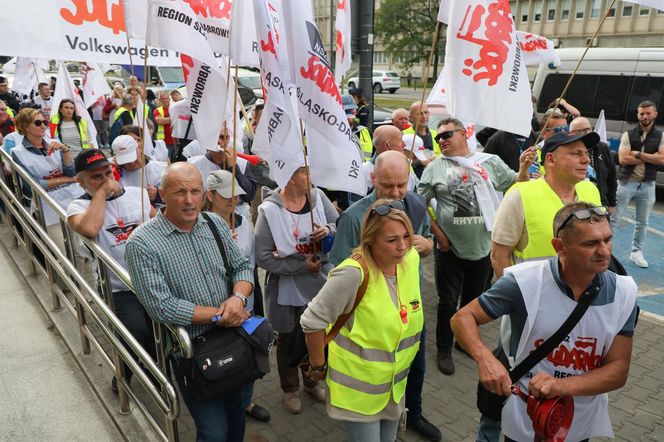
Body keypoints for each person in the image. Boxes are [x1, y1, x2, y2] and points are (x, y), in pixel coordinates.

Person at [451, 202, 637, 442]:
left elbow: (618, 371)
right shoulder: (525, 282)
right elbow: (462, 317)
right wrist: (485, 359)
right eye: (590, 243)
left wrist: (562, 386)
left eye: (607, 239)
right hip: (525, 420)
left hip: (577, 422)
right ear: (559, 247)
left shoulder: (623, 293)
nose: (604, 251)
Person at [125, 162, 255, 442]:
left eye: (195, 191)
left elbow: (242, 265)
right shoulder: (142, 243)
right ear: (162, 193)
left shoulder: (215, 222)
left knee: (236, 413)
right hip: (194, 353)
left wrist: (238, 297)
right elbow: (161, 306)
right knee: (213, 430)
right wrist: (221, 313)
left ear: (205, 194)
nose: (189, 200)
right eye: (180, 192)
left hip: (234, 338)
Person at [328, 151, 441, 441]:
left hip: (410, 309)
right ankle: (367, 418)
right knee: (373, 374)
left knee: (415, 368)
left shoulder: (414, 205)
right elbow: (338, 268)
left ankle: (412, 414)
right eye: (388, 185)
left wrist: (426, 244)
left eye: (401, 185)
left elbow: (426, 239)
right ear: (373, 178)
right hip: (371, 318)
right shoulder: (355, 217)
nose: (395, 193)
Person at [300, 198, 424, 442]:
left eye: (407, 236)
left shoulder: (409, 259)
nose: (402, 246)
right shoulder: (353, 273)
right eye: (392, 240)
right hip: (359, 394)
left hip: (395, 387)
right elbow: (311, 321)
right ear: (370, 239)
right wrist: (317, 366)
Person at [418, 118, 533, 376]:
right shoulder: (435, 167)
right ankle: (444, 349)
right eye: (438, 138)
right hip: (449, 248)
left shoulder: (488, 162)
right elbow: (420, 203)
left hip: (484, 248)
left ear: (463, 134)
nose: (442, 141)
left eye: (447, 135)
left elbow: (516, 185)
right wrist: (438, 235)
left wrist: (524, 169)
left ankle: (464, 342)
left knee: (473, 301)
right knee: (448, 301)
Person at [66, 149, 155, 392]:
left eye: (108, 172)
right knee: (135, 331)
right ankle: (123, 375)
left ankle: (154, 374)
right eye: (97, 177)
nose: (106, 179)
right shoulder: (77, 206)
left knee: (156, 335)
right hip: (117, 288)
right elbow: (90, 228)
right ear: (80, 181)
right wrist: (103, 193)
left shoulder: (139, 195)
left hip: (151, 282)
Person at [254, 166, 338, 414]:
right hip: (287, 288)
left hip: (320, 283)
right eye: (305, 173)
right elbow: (263, 257)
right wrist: (302, 266)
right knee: (289, 339)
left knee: (316, 334)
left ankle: (312, 381)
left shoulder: (318, 197)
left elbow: (337, 223)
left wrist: (329, 231)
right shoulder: (269, 210)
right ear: (290, 178)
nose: (312, 178)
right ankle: (290, 388)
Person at [205, 169, 270, 423]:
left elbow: (251, 262)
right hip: (216, 305)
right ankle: (219, 400)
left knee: (247, 354)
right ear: (210, 196)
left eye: (236, 195)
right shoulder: (200, 225)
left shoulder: (244, 217)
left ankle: (245, 401)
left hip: (246, 300)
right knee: (222, 355)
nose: (232, 200)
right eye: (225, 196)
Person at [490, 131, 603, 278]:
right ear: (550, 160)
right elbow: (499, 256)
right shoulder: (520, 195)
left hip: (582, 291)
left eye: (586, 153)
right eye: (576, 154)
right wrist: (513, 297)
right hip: (534, 295)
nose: (586, 160)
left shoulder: (591, 190)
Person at [11, 108, 82, 245]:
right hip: (48, 209)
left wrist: (65, 150)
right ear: (25, 126)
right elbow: (33, 185)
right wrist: (66, 180)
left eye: (44, 121)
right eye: (38, 123)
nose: (43, 125)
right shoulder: (17, 152)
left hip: (73, 200)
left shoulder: (54, 142)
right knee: (64, 252)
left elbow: (72, 173)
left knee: (86, 252)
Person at [612, 100, 664, 268]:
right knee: (615, 218)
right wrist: (652, 156)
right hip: (626, 183)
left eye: (648, 113)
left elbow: (662, 159)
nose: (645, 116)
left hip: (648, 185)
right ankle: (607, 251)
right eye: (641, 113)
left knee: (643, 222)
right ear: (637, 115)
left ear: (655, 114)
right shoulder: (629, 134)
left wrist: (639, 154)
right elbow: (623, 159)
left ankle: (636, 252)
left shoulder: (661, 136)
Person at [188, 126, 256, 220]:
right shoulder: (194, 165)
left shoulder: (241, 163)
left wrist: (234, 168)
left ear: (228, 139)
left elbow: (249, 195)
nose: (219, 141)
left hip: (238, 219)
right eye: (214, 137)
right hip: (207, 220)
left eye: (222, 137)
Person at [569, 117, 617, 210]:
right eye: (582, 130)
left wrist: (612, 202)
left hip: (600, 202)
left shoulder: (602, 148)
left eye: (589, 129)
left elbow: (612, 176)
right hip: (576, 203)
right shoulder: (566, 151)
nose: (587, 133)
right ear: (571, 133)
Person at [111, 133, 166, 206]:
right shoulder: (112, 172)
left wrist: (158, 195)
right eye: (125, 161)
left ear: (139, 150)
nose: (131, 163)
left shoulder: (162, 169)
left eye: (132, 157)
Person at [402, 102, 440, 178]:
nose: (424, 116)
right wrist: (420, 162)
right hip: (412, 180)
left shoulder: (436, 134)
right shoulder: (403, 135)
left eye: (426, 113)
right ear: (411, 118)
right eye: (419, 114)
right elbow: (400, 161)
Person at [342, 94, 373, 161]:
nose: (354, 112)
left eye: (353, 110)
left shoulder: (364, 132)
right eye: (348, 111)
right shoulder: (331, 133)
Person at [153, 91, 175, 158]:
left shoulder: (175, 108)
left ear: (169, 99)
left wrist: (165, 120)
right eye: (163, 99)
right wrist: (174, 119)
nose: (165, 100)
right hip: (164, 141)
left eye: (166, 98)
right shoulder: (157, 110)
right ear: (159, 100)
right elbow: (159, 121)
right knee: (166, 161)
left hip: (176, 141)